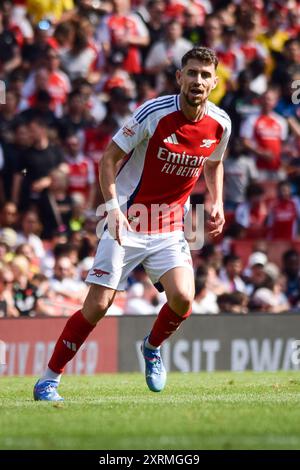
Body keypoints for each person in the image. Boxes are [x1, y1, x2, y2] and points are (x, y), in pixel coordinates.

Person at [33, 47, 231, 401]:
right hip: (129, 217)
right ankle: (49, 379)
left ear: (214, 82)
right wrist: (112, 208)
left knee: (184, 298)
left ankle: (152, 347)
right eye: (192, 73)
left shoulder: (220, 123)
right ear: (179, 78)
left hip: (169, 225)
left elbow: (214, 163)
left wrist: (215, 200)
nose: (197, 80)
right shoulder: (153, 113)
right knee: (97, 305)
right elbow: (109, 158)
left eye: (205, 75)